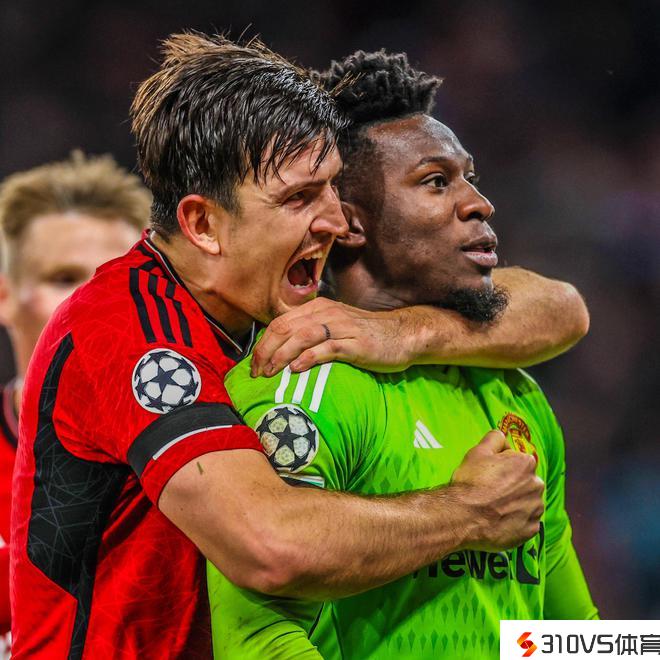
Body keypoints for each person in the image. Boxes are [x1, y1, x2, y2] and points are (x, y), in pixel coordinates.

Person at [11, 33, 585, 658]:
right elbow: (270, 550)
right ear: (203, 224)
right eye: (299, 197)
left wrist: (404, 332)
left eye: (333, 187)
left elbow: (563, 310)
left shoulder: (283, 308)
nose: (336, 220)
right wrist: (469, 512)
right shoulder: (128, 328)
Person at [208, 50, 598, 659]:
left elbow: (567, 636)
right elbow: (259, 638)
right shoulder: (307, 380)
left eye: (470, 177)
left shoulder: (514, 393)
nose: (479, 203)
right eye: (436, 181)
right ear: (351, 224)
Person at [0, 151, 149, 645]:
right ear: (5, 297)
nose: (91, 302)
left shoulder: (205, 452)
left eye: (113, 278)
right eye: (64, 278)